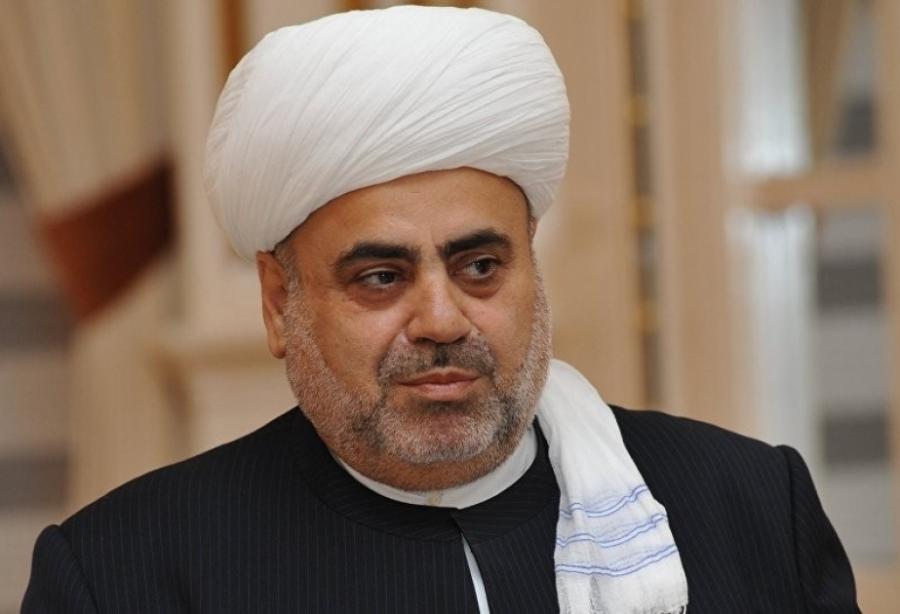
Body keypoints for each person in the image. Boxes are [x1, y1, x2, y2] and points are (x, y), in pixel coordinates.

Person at [23, 6, 858, 613]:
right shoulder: (126, 574)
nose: (442, 320)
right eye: (381, 277)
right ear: (280, 303)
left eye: (481, 266)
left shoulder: (749, 507)